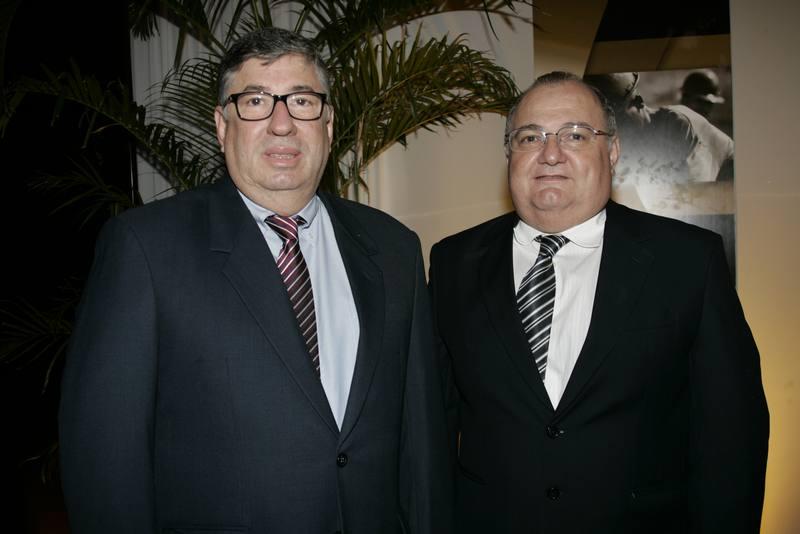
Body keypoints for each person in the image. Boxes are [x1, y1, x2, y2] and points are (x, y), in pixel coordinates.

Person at [59, 27, 453, 534]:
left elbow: (422, 444)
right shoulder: (145, 250)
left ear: (329, 123)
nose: (282, 124)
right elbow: (106, 463)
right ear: (222, 125)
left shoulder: (394, 249)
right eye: (255, 102)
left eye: (302, 101)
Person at [428, 71, 768, 533]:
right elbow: (433, 424)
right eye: (530, 137)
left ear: (612, 151)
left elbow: (732, 437)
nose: (550, 153)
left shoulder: (688, 261)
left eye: (574, 135)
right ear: (509, 153)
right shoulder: (453, 262)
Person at [584, 71, 734, 184]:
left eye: (620, 119)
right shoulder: (626, 143)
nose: (615, 129)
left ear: (638, 102)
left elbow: (696, 195)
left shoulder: (676, 126)